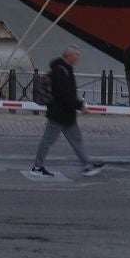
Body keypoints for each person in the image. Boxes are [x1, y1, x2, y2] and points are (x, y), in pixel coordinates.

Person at [29, 47, 103, 178]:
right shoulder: (60, 71)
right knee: (47, 141)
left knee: (76, 140)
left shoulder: (66, 69)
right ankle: (37, 167)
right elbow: (63, 94)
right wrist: (80, 106)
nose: (78, 58)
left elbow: (67, 93)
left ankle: (87, 165)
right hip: (58, 114)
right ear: (69, 56)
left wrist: (77, 106)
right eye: (76, 55)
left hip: (67, 114)